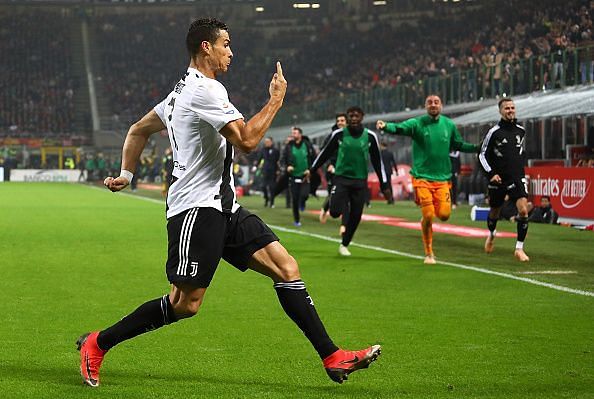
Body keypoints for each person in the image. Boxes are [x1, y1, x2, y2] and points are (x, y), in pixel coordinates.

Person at [78, 18, 380, 388]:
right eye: (226, 44)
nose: (231, 52)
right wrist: (276, 100)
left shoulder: (180, 92)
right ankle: (98, 343)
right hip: (196, 210)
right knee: (185, 304)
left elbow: (137, 130)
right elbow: (248, 140)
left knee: (286, 267)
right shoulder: (203, 90)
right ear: (206, 47)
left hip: (224, 206)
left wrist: (127, 173)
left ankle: (332, 356)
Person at [376, 95, 479, 264]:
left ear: (441, 105)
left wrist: (476, 147)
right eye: (430, 103)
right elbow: (400, 128)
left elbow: (459, 144)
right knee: (430, 215)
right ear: (425, 106)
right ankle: (429, 252)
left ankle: (425, 220)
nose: (433, 105)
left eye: (436, 102)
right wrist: (386, 126)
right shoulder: (417, 123)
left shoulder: (449, 125)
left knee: (444, 215)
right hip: (422, 177)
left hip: (443, 178)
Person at [310, 106, 389, 256]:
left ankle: (344, 244)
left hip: (360, 182)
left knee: (356, 216)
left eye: (356, 116)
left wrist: (385, 185)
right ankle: (330, 207)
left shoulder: (370, 136)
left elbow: (378, 162)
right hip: (341, 179)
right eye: (351, 116)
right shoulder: (339, 134)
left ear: (362, 117)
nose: (353, 118)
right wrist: (312, 169)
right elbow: (324, 153)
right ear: (347, 118)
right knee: (334, 212)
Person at [479, 97, 531, 262]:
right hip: (498, 179)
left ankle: (519, 249)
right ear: (500, 111)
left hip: (516, 177)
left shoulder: (521, 130)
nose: (510, 110)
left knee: (523, 210)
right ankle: (492, 234)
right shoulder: (493, 132)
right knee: (495, 211)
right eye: (507, 108)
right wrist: (491, 174)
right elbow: (482, 155)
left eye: (512, 108)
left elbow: (519, 153)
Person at [283, 126, 315, 226]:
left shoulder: (307, 145)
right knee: (295, 199)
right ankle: (296, 220)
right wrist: (287, 166)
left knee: (304, 195)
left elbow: (313, 158)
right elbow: (283, 158)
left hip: (305, 176)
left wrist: (310, 170)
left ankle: (303, 203)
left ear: (300, 134)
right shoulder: (289, 146)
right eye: (293, 133)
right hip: (293, 176)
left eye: (295, 133)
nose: (293, 135)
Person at [319, 113, 347, 223]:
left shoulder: (351, 135)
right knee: (333, 193)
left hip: (346, 170)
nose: (340, 122)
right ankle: (324, 209)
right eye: (338, 120)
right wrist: (329, 164)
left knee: (346, 194)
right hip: (333, 169)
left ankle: (345, 222)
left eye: (342, 120)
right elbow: (323, 152)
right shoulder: (332, 136)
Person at [253, 137, 280, 207]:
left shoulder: (276, 150)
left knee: (272, 187)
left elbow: (278, 161)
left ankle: (272, 202)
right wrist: (255, 166)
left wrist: (278, 170)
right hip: (265, 171)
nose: (266, 143)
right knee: (263, 186)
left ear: (271, 142)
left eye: (268, 141)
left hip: (273, 171)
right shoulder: (263, 150)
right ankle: (266, 199)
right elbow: (259, 158)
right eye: (265, 142)